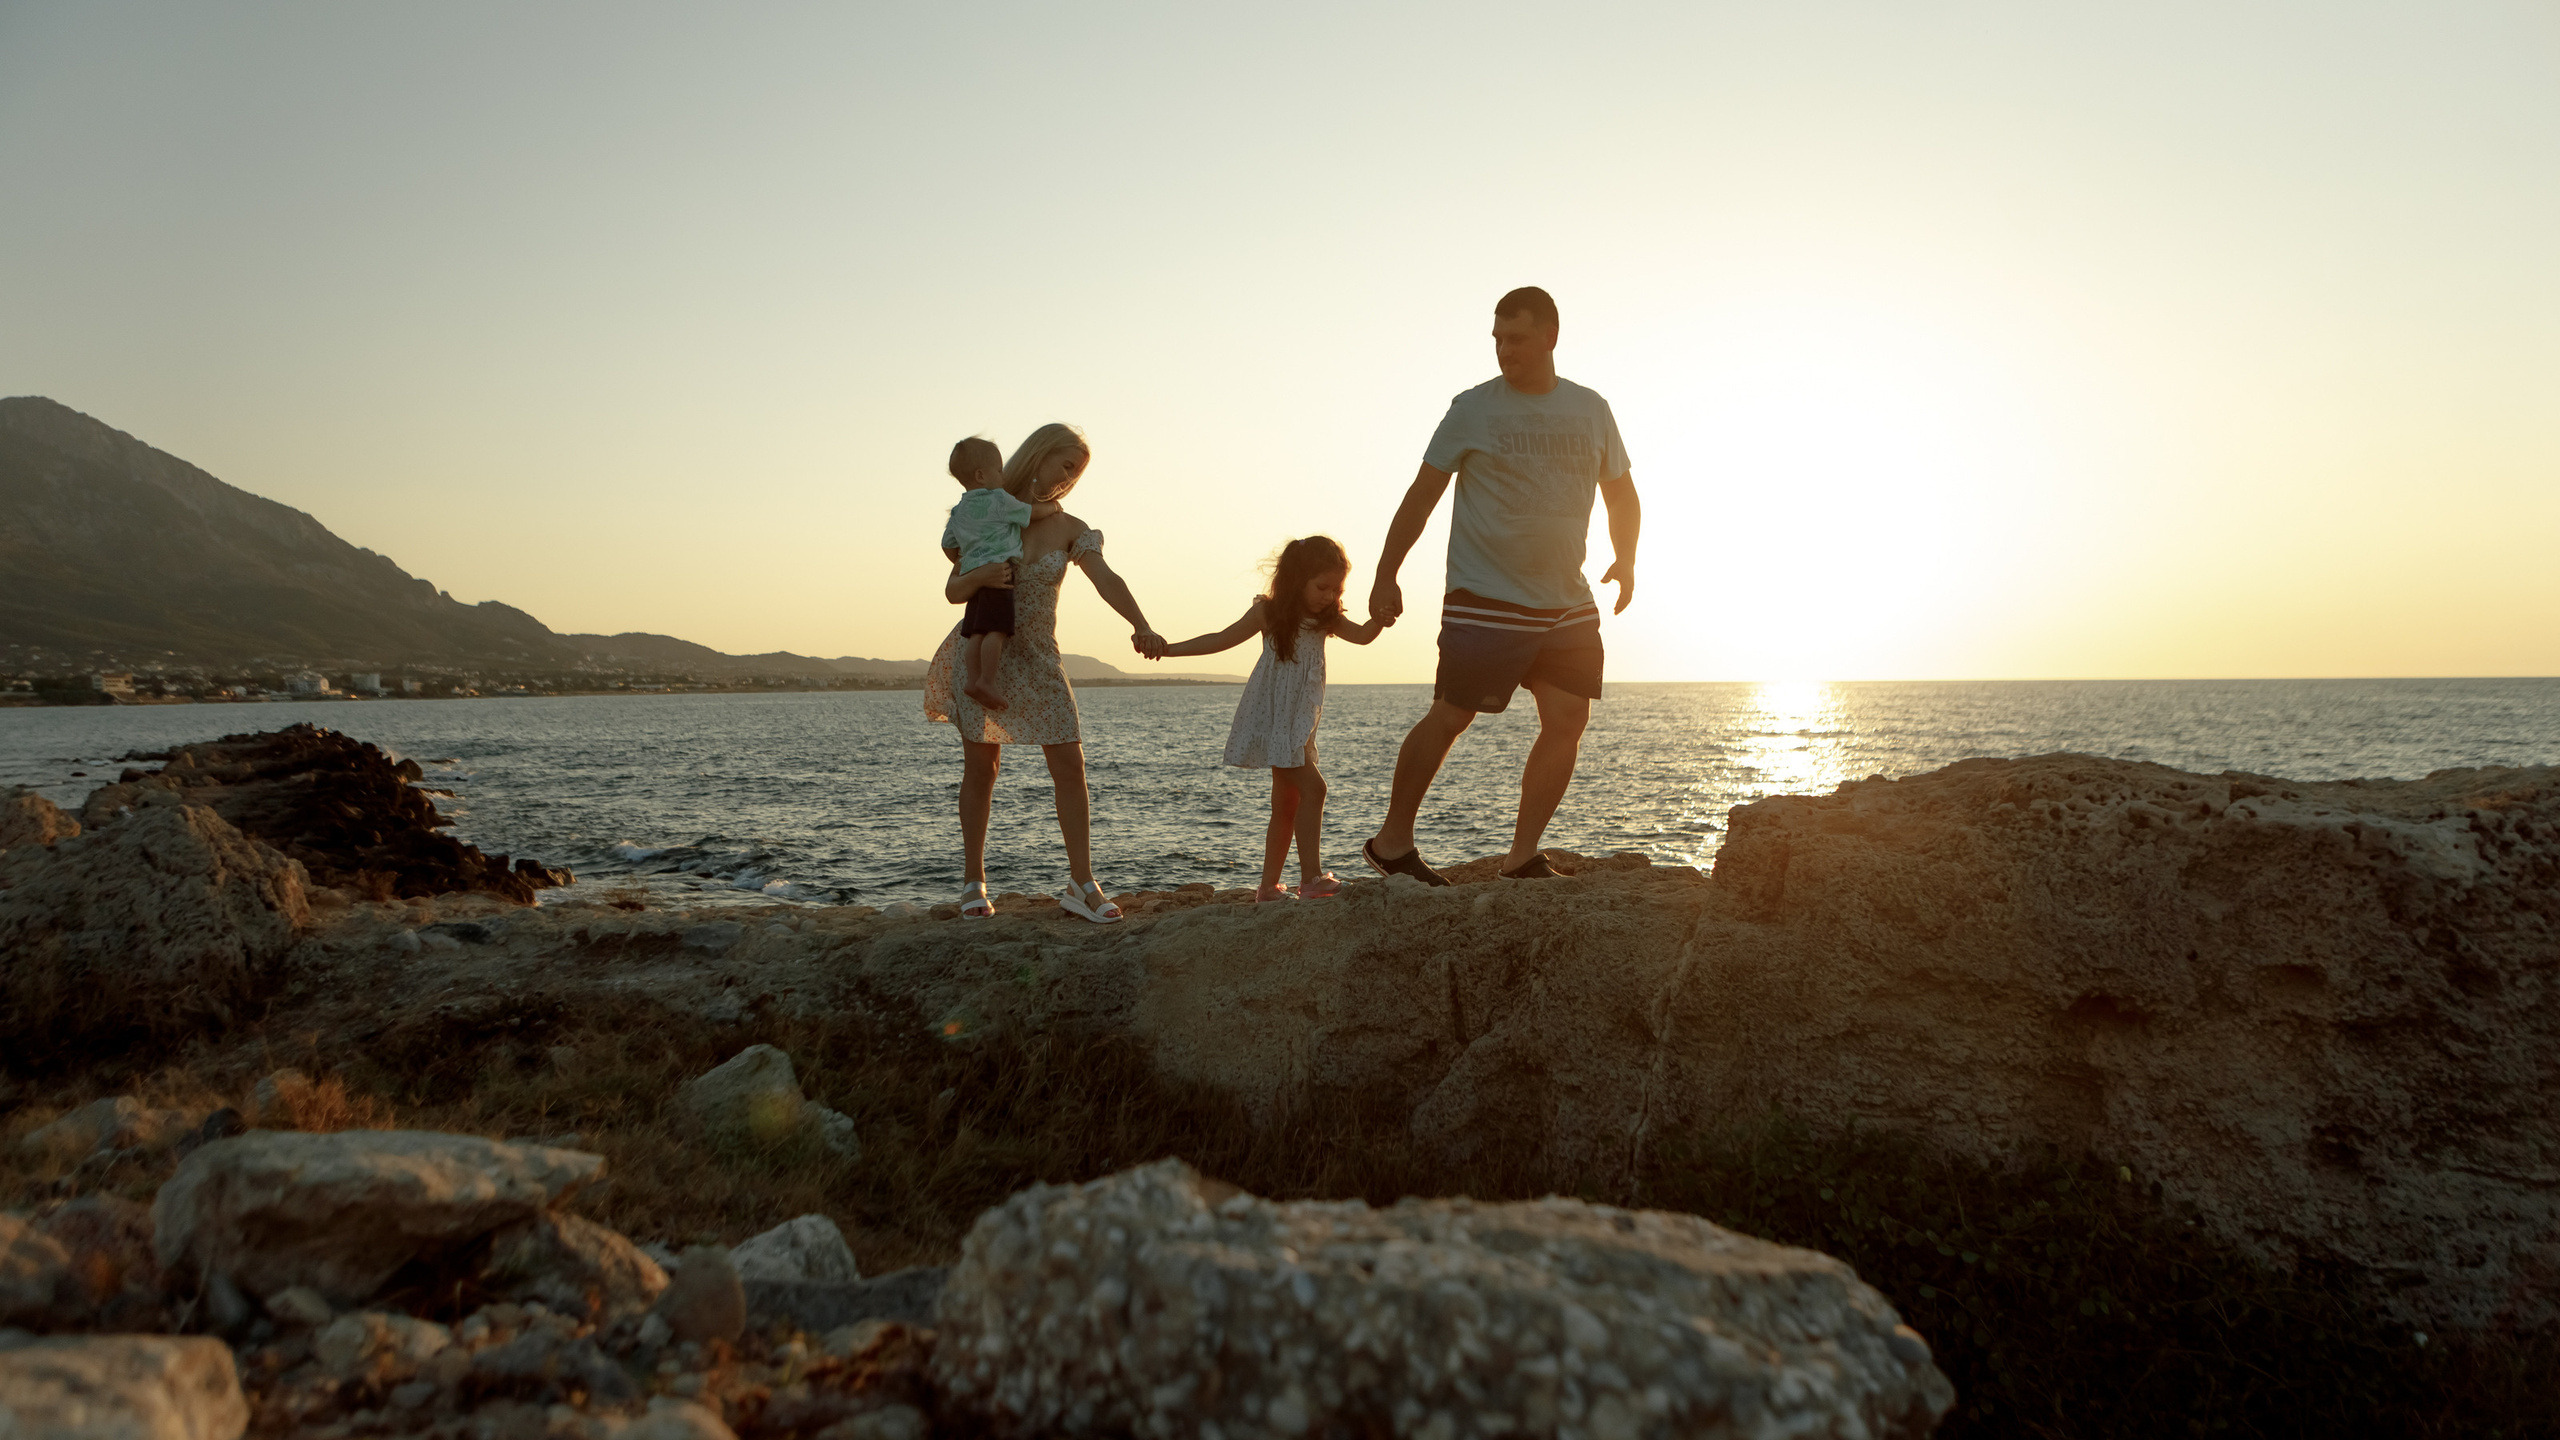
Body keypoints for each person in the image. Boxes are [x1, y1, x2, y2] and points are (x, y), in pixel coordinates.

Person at [1361, 286, 1641, 885]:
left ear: (1550, 337)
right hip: (1485, 597)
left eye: (1515, 338)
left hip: (1566, 601)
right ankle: (1392, 841)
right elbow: (1422, 495)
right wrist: (1386, 572)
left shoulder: (1591, 409)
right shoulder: (1472, 408)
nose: (1503, 350)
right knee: (1451, 716)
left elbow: (1621, 491)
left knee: (1567, 720)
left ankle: (1521, 858)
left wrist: (1627, 558)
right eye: (1496, 339)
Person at [924, 423, 1167, 922]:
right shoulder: (987, 509)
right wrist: (982, 575)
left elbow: (1107, 579)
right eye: (1066, 465)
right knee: (981, 768)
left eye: (1076, 473)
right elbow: (953, 589)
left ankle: (1082, 883)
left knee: (1069, 764)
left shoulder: (1069, 527)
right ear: (1039, 455)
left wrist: (1141, 624)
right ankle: (973, 883)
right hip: (982, 649)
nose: (1069, 479)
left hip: (1038, 656)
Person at [1153, 536, 1392, 902]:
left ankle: (1268, 888)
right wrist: (1168, 651)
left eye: (1336, 588)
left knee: (1287, 804)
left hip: (1299, 723)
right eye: (1321, 586)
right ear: (1298, 580)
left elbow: (1361, 636)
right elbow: (1220, 639)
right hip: (1276, 721)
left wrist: (1380, 619)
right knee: (1316, 790)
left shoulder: (1326, 619)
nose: (1329, 595)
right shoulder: (1270, 613)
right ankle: (1311, 878)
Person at [938, 435, 1059, 712]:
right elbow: (1029, 513)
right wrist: (1052, 507)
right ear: (982, 475)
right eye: (999, 470)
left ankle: (972, 679)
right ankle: (987, 681)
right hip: (1000, 574)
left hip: (974, 574)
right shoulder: (999, 500)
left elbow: (948, 545)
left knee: (975, 633)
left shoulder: (958, 511)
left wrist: (964, 561)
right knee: (997, 631)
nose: (1003, 476)